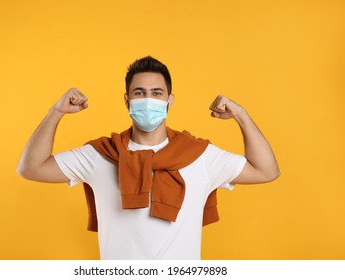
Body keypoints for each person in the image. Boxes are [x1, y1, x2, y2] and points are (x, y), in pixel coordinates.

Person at [17, 56, 280, 260]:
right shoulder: (102, 155)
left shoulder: (198, 156)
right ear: (127, 100)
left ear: (169, 100)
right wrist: (56, 112)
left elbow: (266, 171)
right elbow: (31, 168)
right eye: (139, 93)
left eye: (157, 93)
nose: (148, 100)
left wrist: (242, 115)